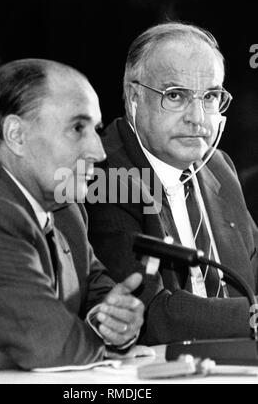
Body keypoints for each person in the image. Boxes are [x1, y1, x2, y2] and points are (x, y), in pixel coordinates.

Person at [0, 59, 144, 377]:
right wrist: (102, 340)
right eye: (77, 128)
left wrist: (113, 318)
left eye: (96, 130)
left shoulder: (64, 206)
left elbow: (93, 289)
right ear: (16, 134)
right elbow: (51, 344)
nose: (99, 151)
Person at [86, 22, 258, 345]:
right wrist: (250, 317)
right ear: (134, 97)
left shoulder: (218, 167)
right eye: (176, 96)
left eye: (210, 97)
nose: (198, 117)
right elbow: (149, 313)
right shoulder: (105, 174)